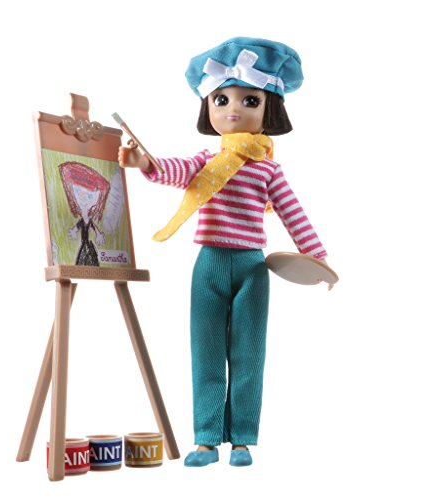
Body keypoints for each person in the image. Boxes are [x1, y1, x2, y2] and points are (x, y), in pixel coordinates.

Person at [119, 37, 329, 467]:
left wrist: (316, 258)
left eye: (249, 100)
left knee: (250, 353)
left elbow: (293, 212)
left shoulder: (268, 169)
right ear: (208, 107)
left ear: (269, 108)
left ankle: (242, 439)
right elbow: (177, 171)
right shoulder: (205, 160)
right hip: (209, 264)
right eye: (221, 99)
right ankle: (206, 437)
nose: (233, 109)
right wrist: (145, 163)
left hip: (253, 266)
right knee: (206, 350)